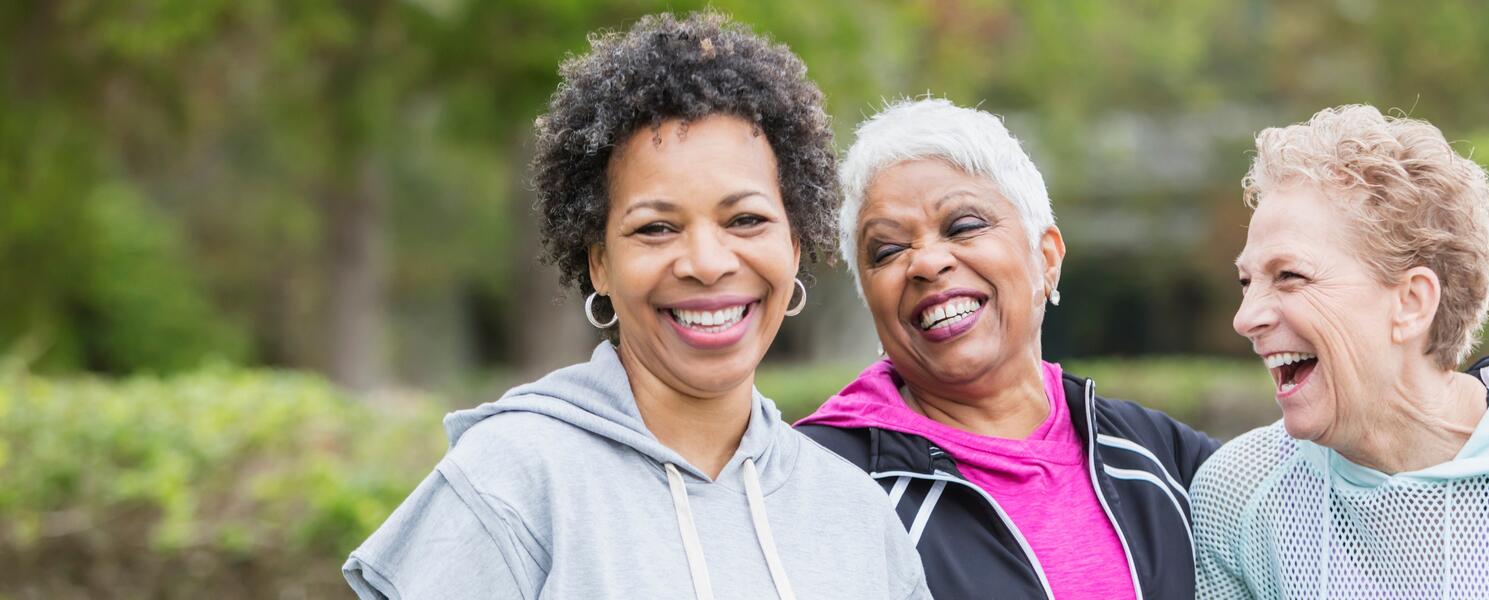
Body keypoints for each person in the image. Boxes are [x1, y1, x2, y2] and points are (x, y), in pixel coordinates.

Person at [343, 13, 930, 600]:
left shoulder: (855, 513)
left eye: (746, 220)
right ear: (599, 262)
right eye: (655, 228)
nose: (706, 262)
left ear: (794, 245)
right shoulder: (513, 482)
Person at [797, 98, 1219, 599]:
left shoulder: (1164, 458)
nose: (927, 263)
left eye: (964, 226)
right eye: (888, 251)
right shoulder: (816, 482)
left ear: (1047, 257)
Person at [1192, 105, 1489, 599]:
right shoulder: (1239, 492)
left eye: (1290, 276)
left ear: (1411, 302)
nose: (1245, 318)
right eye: (1246, 281)